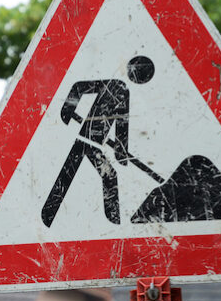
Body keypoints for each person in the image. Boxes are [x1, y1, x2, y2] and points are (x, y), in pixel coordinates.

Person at [41, 56, 155, 227]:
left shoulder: (123, 91)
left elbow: (122, 124)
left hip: (93, 142)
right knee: (106, 175)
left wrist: (121, 152)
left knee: (70, 173)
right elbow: (79, 87)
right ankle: (113, 222)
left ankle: (47, 215)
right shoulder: (114, 85)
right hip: (85, 139)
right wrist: (67, 111)